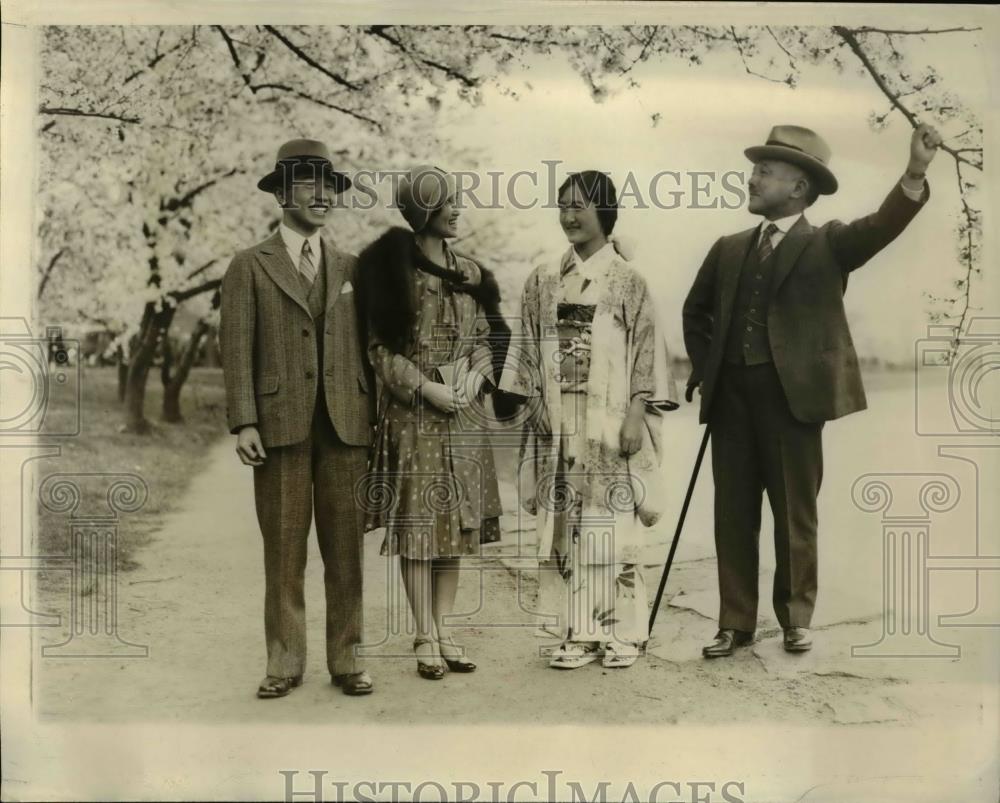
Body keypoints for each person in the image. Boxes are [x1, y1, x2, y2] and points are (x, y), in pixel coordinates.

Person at [682, 123, 941, 658]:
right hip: (731, 401)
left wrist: (914, 173)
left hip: (793, 403)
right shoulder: (727, 248)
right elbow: (696, 311)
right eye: (754, 169)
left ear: (799, 188)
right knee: (732, 512)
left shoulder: (828, 243)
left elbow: (881, 225)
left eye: (765, 172)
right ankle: (734, 623)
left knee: (794, 513)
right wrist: (709, 369)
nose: (752, 178)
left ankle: (796, 617)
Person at [501, 170, 677, 669]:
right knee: (567, 522)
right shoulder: (542, 280)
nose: (569, 216)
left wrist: (636, 415)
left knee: (612, 523)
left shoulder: (627, 280)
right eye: (562, 206)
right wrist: (533, 402)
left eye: (579, 205)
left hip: (610, 414)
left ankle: (624, 634)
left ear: (605, 212)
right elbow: (526, 350)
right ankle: (579, 632)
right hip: (559, 417)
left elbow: (646, 353)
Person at [219, 139, 375, 698]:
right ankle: (284, 662)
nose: (322, 194)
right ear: (282, 192)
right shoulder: (249, 265)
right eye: (309, 182)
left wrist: (374, 422)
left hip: (346, 425)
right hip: (280, 427)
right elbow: (236, 346)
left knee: (347, 555)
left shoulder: (352, 267)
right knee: (284, 553)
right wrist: (244, 421)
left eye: (329, 184)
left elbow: (368, 350)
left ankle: (348, 659)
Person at [356, 165, 506, 680]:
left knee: (457, 528)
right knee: (421, 528)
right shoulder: (395, 273)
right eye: (449, 201)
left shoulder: (470, 274)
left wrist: (475, 380)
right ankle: (422, 633)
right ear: (424, 210)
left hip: (463, 415)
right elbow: (378, 348)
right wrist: (424, 387)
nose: (459, 209)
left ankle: (444, 628)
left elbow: (487, 336)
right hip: (415, 415)